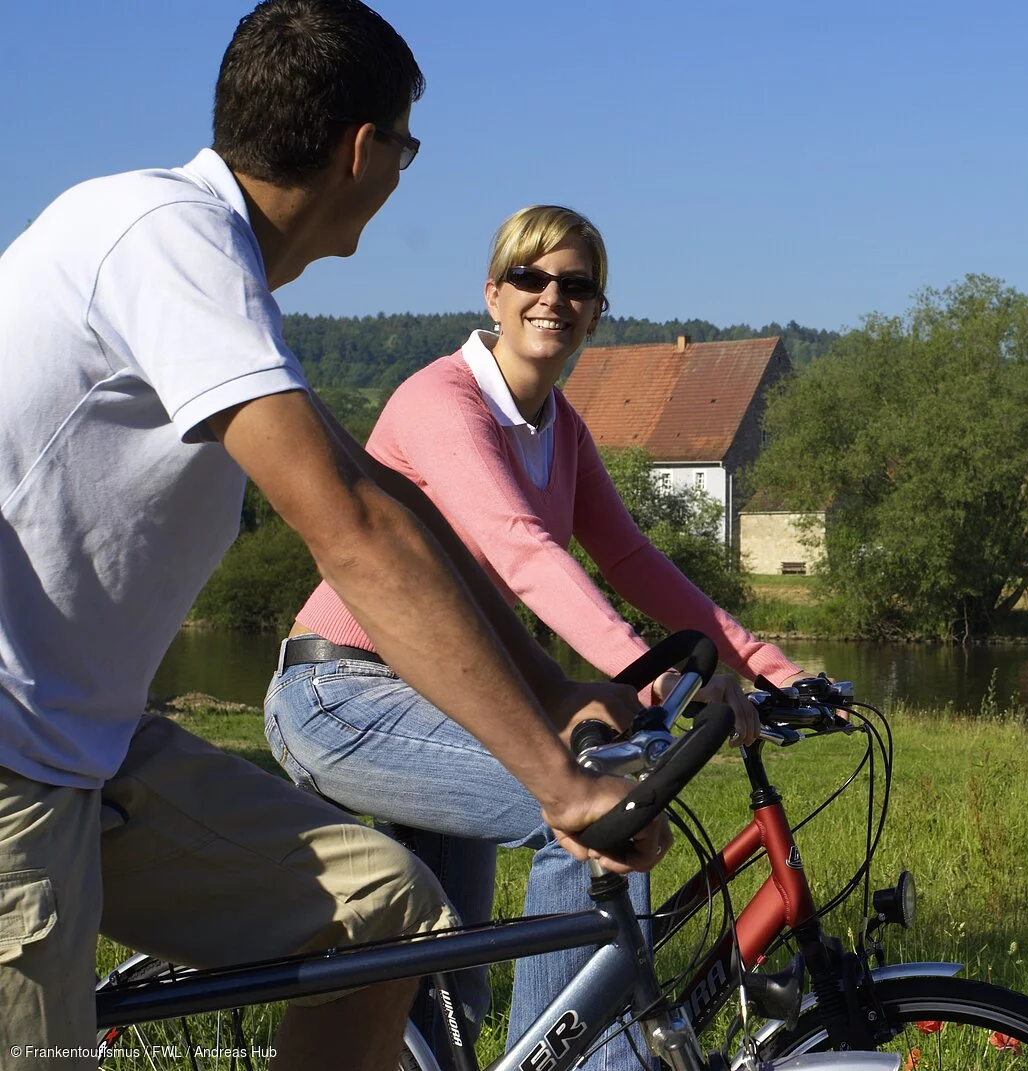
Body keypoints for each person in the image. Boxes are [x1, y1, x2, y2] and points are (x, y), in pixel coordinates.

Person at [0, 5, 666, 1069]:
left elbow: (384, 497)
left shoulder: (215, 276)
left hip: (91, 749)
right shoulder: (163, 237)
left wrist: (547, 690)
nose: (405, 170)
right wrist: (553, 776)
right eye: (407, 145)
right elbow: (348, 529)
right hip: (11, 764)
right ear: (366, 150)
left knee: (385, 917)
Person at [262, 204, 812, 1063]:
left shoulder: (564, 427)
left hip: (455, 698)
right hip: (343, 691)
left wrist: (768, 667)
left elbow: (631, 558)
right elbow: (521, 549)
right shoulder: (440, 401)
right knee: (588, 805)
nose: (552, 296)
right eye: (531, 276)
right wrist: (657, 670)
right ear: (493, 291)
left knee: (448, 992)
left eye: (578, 285)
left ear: (597, 311)